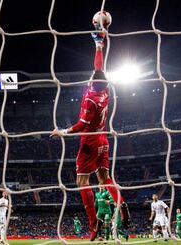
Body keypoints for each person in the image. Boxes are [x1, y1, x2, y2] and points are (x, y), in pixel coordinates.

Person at [50, 22, 129, 241]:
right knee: (105, 178)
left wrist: (62, 131)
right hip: (104, 138)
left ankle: (93, 225)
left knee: (81, 183)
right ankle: (121, 205)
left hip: (90, 141)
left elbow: (82, 126)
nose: (91, 76)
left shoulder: (91, 100)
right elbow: (99, 68)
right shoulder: (105, 91)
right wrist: (98, 45)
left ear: (93, 84)